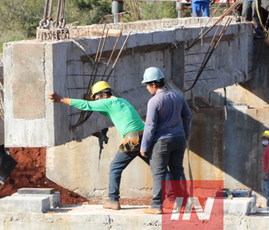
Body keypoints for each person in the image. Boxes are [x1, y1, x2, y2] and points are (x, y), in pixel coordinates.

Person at [48, 81, 157, 210]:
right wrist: (93, 99)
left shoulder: (109, 102)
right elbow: (102, 111)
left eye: (98, 98)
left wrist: (61, 99)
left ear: (105, 95)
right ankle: (176, 198)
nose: (98, 102)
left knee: (115, 168)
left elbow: (86, 105)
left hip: (132, 141)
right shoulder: (120, 101)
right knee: (158, 169)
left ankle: (113, 200)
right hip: (144, 137)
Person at [140, 67, 193, 214]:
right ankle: (183, 204)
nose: (146, 88)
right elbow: (188, 116)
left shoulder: (154, 101)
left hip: (162, 141)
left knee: (158, 172)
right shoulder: (178, 96)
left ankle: (156, 205)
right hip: (179, 139)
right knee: (178, 171)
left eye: (147, 85)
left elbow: (150, 126)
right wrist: (185, 135)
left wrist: (144, 146)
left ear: (154, 85)